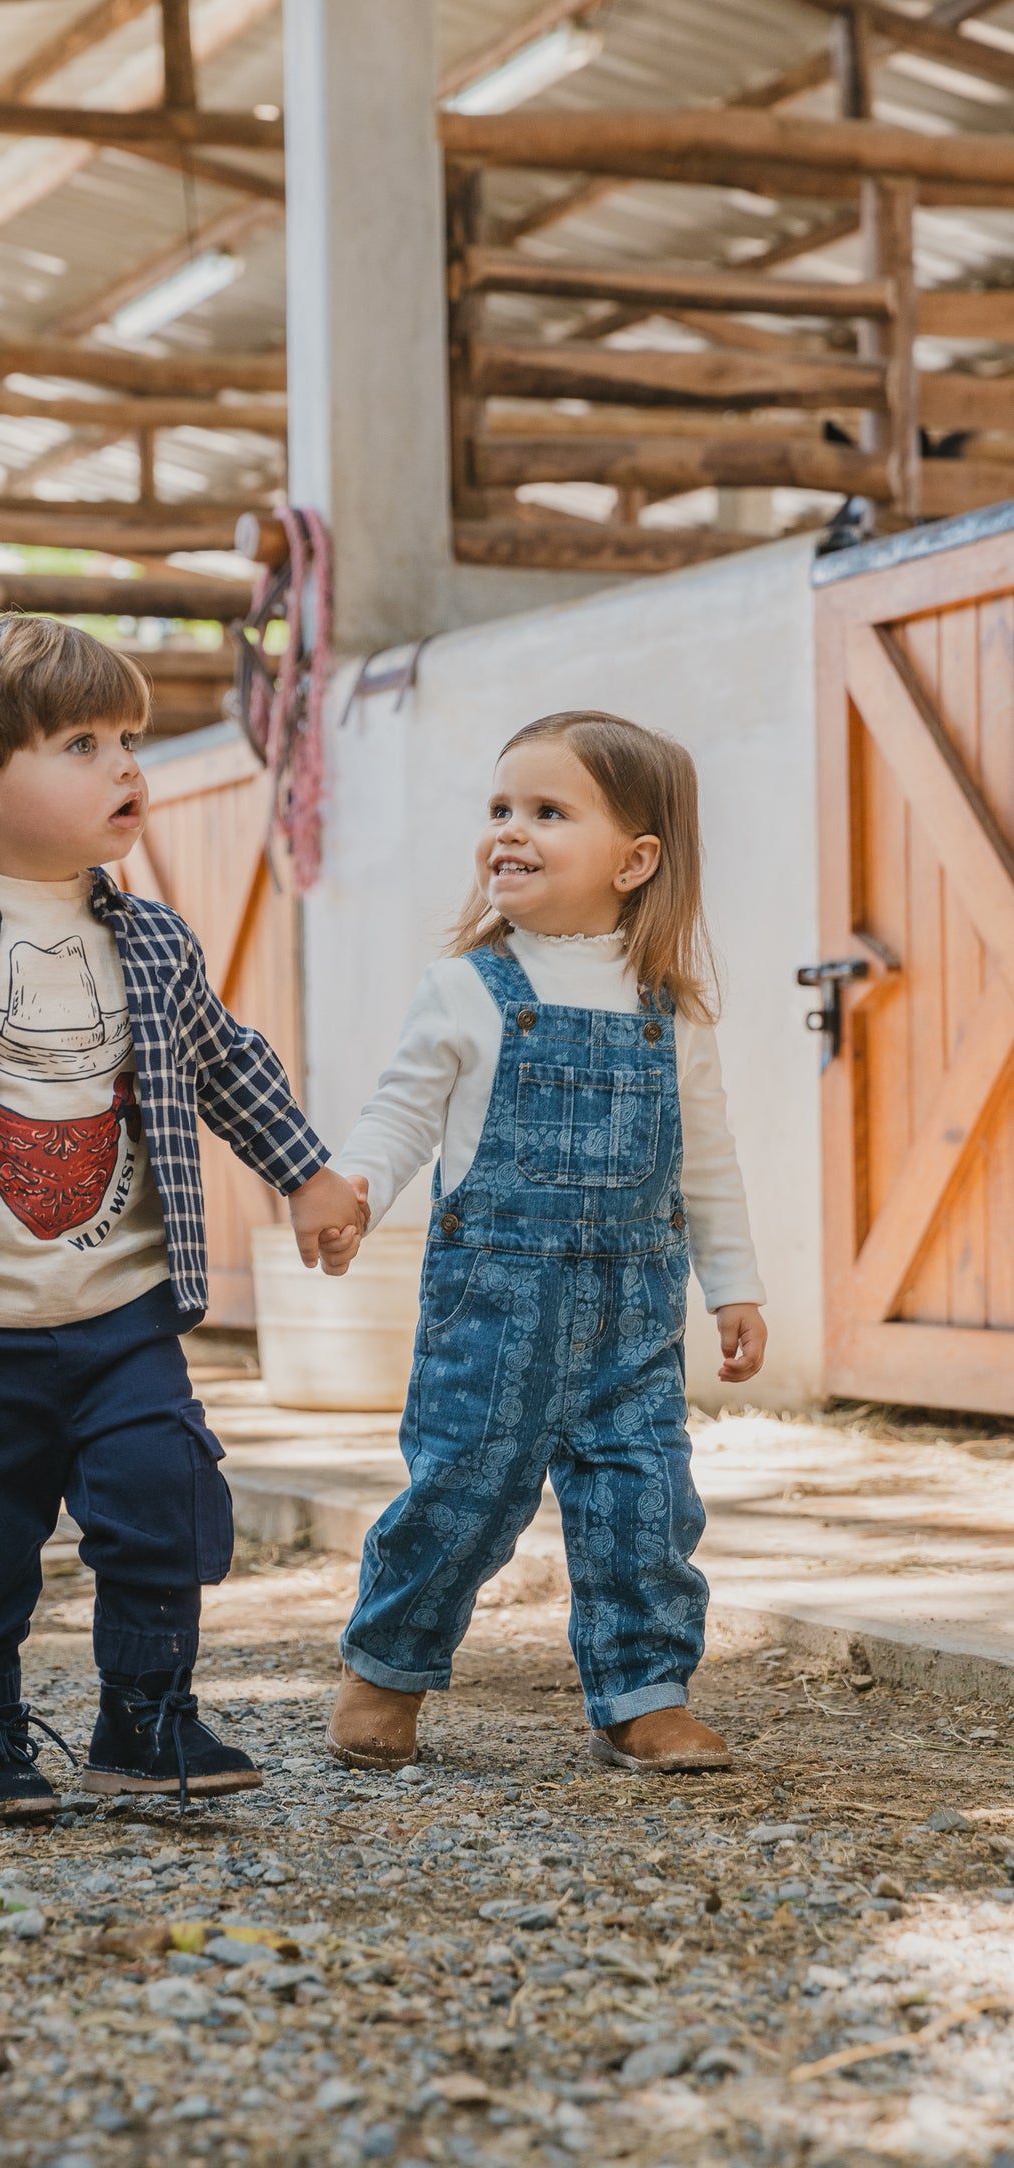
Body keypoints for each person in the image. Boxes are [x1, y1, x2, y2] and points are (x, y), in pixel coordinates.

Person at [0, 614, 366, 1824]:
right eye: (83, 742)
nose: (127, 766)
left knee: (162, 1495)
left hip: (121, 1308)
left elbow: (224, 1065)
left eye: (128, 737)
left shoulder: (151, 939)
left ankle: (145, 1719)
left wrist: (305, 1173)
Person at [326, 710, 766, 1778]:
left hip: (633, 1315)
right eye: (498, 809)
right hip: (493, 1307)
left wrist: (733, 1286)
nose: (508, 832)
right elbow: (399, 1116)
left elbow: (704, 1159)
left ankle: (642, 1691)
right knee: (463, 1494)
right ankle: (385, 1666)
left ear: (635, 858)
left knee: (644, 1501)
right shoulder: (467, 987)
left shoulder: (672, 1010)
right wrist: (353, 1186)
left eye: (547, 811)